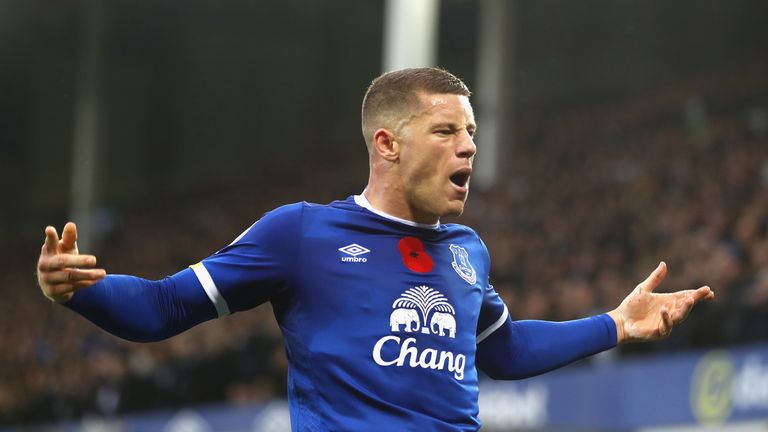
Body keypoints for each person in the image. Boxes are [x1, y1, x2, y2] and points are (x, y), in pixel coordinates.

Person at [37, 67, 714, 431]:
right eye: (446, 130)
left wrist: (614, 325)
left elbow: (502, 352)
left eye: (472, 132)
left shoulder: (467, 251)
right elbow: (162, 309)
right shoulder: (301, 233)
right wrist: (80, 290)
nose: (469, 146)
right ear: (387, 143)